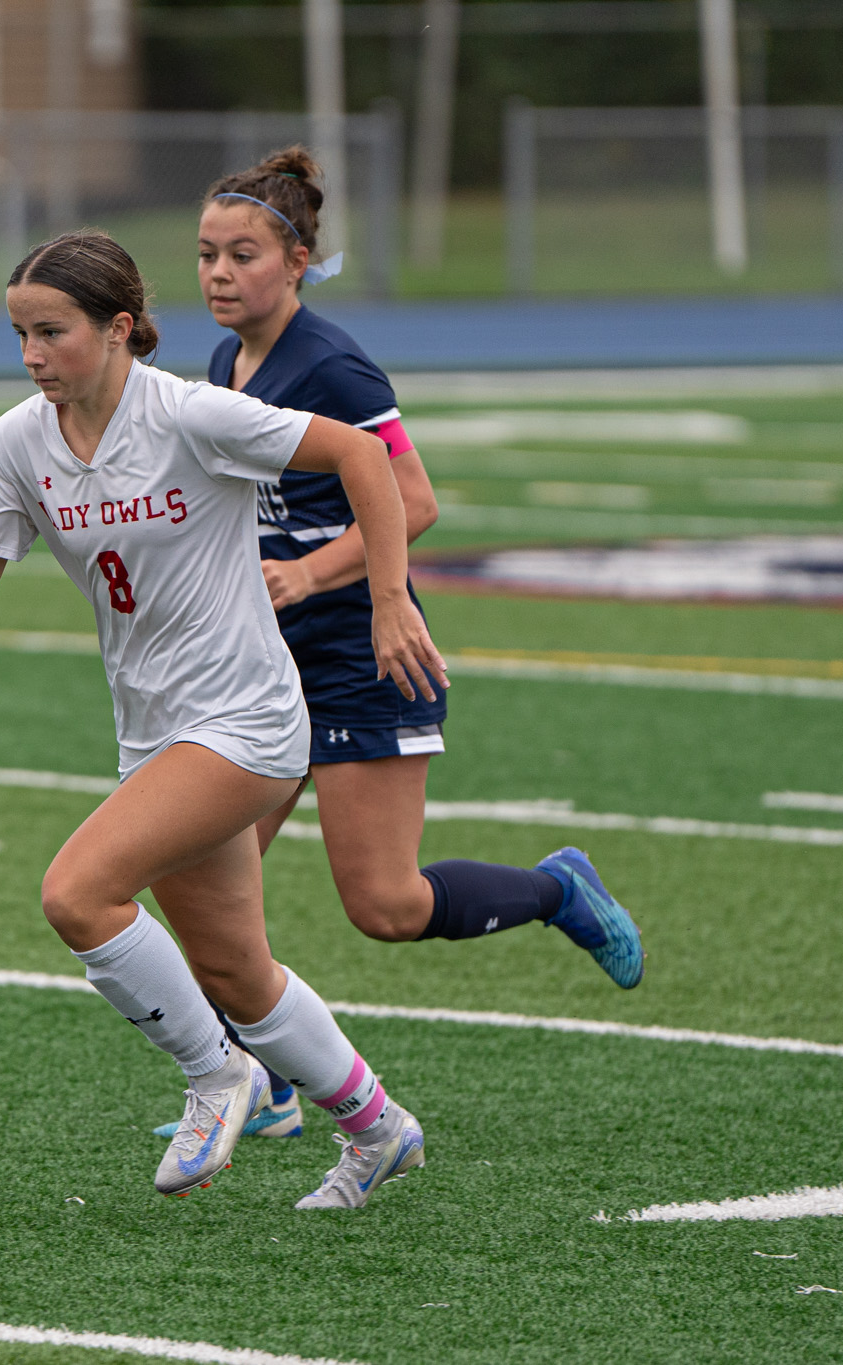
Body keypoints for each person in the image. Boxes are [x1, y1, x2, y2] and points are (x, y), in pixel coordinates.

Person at [0, 230, 443, 1209]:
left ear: (116, 330)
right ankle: (375, 1126)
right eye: (19, 333)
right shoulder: (18, 439)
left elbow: (364, 456)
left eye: (51, 332)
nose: (31, 355)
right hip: (153, 728)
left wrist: (387, 596)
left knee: (77, 893)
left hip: (245, 718)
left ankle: (214, 1075)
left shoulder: (192, 417)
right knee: (234, 971)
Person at [173, 148, 644, 1142]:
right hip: (270, 664)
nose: (219, 273)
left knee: (382, 904)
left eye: (242, 255)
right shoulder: (225, 362)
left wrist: (351, 587)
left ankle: (556, 889)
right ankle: (266, 1079)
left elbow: (413, 497)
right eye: (208, 255)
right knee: (209, 883)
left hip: (354, 657)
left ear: (296, 260)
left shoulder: (332, 365)